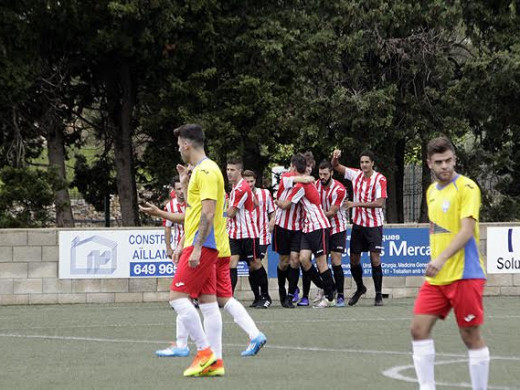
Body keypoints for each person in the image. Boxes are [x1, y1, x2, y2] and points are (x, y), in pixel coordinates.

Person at [410, 137, 489, 390]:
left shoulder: (467, 188)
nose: (444, 166)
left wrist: (441, 259)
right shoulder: (431, 192)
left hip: (465, 275)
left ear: (454, 159)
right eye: (438, 162)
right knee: (418, 330)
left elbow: (467, 231)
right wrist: (438, 262)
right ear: (429, 164)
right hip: (437, 279)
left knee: (470, 336)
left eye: (448, 161)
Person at [165, 123, 226, 377]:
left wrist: (198, 247)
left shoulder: (208, 171)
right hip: (199, 243)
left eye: (179, 144)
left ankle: (204, 353)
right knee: (207, 303)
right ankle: (217, 362)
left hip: (202, 245)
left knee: (177, 298)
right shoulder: (199, 171)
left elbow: (209, 213)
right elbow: (194, 209)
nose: (178, 149)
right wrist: (184, 182)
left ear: (187, 145)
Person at [277, 154, 335, 308]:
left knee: (321, 263)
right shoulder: (303, 181)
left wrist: (277, 202)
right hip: (307, 227)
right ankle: (325, 287)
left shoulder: (300, 187)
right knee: (303, 259)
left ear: (294, 168)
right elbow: (287, 180)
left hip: (318, 225)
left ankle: (330, 296)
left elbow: (286, 205)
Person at [331, 149, 387, 306]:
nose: (364, 165)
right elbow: (335, 166)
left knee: (374, 258)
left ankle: (378, 295)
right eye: (362, 162)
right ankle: (360, 287)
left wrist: (355, 204)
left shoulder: (380, 179)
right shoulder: (355, 174)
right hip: (358, 225)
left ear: (372, 163)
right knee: (353, 260)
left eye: (367, 162)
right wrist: (335, 157)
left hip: (374, 225)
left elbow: (379, 203)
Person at [226, 159, 271, 308]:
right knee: (231, 263)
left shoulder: (241, 189)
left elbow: (231, 213)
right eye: (227, 170)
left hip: (248, 234)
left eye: (232, 170)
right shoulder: (237, 188)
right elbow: (256, 203)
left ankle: (265, 296)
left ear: (239, 172)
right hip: (234, 234)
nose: (229, 173)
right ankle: (229, 299)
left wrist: (212, 213)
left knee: (255, 264)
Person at [272, 155, 314, 308]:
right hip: (282, 226)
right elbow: (305, 180)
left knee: (295, 260)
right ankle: (282, 290)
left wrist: (308, 179)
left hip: (297, 228)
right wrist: (307, 178)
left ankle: (290, 295)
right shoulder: (286, 177)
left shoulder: (302, 182)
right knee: (283, 262)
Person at [316, 160, 348, 307]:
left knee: (336, 260)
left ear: (331, 173)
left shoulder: (339, 189)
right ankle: (328, 289)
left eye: (325, 174)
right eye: (320, 174)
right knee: (321, 262)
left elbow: (332, 212)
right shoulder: (315, 185)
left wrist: (316, 213)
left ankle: (340, 294)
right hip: (322, 228)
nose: (322, 177)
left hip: (337, 227)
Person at [243, 170, 276, 307]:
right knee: (251, 267)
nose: (249, 184)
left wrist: (272, 220)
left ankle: (266, 295)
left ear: (255, 181)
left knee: (256, 263)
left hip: (261, 235)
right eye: (247, 181)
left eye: (251, 181)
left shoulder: (265, 193)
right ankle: (257, 297)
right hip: (247, 236)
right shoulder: (239, 194)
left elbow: (272, 211)